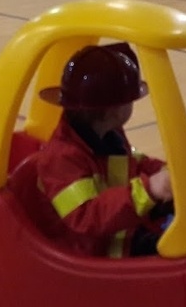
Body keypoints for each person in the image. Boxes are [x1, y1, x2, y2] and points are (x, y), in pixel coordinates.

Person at [34, 43, 173, 258]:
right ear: (114, 110)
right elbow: (87, 216)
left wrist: (162, 170)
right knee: (176, 257)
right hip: (87, 252)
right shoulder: (60, 158)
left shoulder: (108, 134)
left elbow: (132, 163)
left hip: (116, 234)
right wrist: (148, 190)